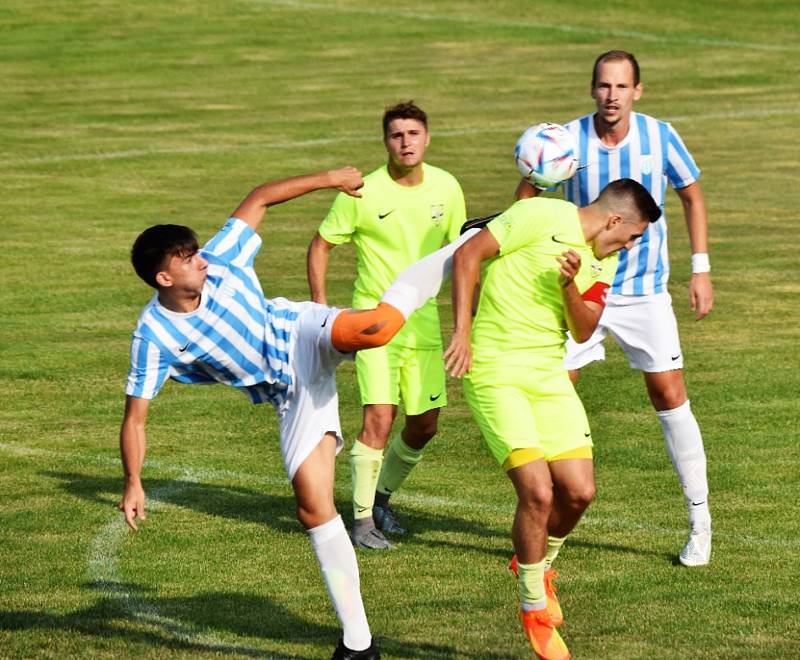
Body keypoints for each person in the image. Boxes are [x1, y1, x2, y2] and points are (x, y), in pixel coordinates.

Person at [118, 167, 478, 660]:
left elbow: (260, 197)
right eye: (187, 259)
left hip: (298, 331)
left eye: (197, 251)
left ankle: (471, 241)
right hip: (289, 393)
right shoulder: (154, 334)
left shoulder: (220, 260)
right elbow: (136, 416)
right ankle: (359, 644)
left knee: (375, 328)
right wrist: (134, 481)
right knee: (313, 507)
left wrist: (330, 178)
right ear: (163, 278)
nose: (201, 261)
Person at [444, 179, 661, 660]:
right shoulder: (540, 215)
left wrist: (568, 286)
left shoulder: (605, 259)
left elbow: (585, 326)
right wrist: (462, 332)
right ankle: (533, 608)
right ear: (614, 220)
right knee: (538, 492)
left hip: (548, 376)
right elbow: (467, 256)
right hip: (496, 372)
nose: (629, 246)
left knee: (581, 491)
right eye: (631, 236)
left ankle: (538, 565)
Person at [517, 50, 714, 567]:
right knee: (552, 393)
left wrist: (700, 268)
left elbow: (692, 195)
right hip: (580, 286)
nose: (612, 96)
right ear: (592, 90)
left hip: (645, 291)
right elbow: (531, 197)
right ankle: (547, 519)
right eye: (604, 86)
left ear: (637, 91)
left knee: (670, 395)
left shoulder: (659, 136)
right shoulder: (567, 142)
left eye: (622, 87)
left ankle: (700, 521)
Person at [307, 102, 466, 550]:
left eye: (413, 133)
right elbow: (321, 245)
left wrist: (462, 321)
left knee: (425, 425)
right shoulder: (362, 192)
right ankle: (359, 524)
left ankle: (379, 499)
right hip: (374, 322)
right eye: (397, 135)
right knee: (379, 417)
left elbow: (459, 256)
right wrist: (321, 308)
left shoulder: (447, 188)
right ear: (386, 142)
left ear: (427, 138)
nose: (406, 142)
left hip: (424, 325)